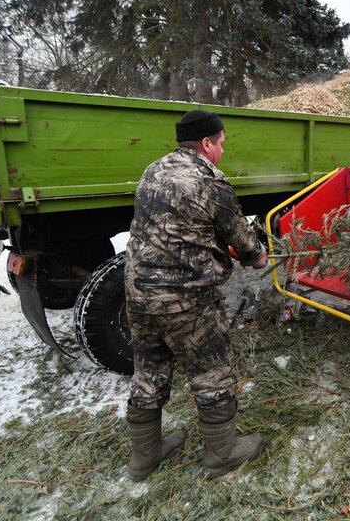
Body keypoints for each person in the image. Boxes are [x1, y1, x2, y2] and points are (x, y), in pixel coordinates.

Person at [123, 109, 268, 481]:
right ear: (206, 143)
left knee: (148, 369)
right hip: (185, 297)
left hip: (138, 292)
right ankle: (221, 455)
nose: (221, 152)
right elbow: (238, 233)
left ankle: (145, 457)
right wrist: (256, 256)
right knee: (211, 371)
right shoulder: (208, 180)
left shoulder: (152, 171)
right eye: (220, 144)